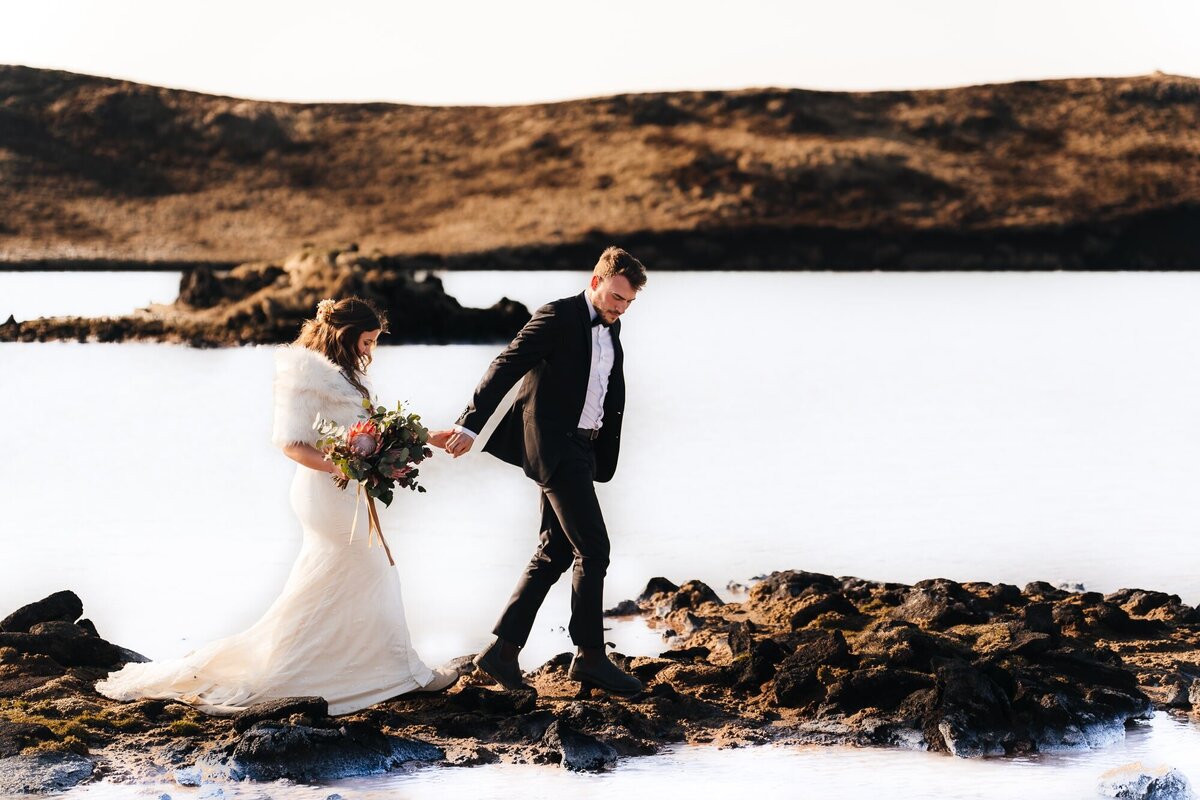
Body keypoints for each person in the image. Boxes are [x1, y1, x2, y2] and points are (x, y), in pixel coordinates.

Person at [96, 297, 463, 715]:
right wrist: (347, 467)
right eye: (366, 341)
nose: (370, 351)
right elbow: (291, 444)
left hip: (344, 488)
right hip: (326, 491)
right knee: (374, 569)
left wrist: (424, 437)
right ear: (343, 336)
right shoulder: (305, 375)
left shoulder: (344, 374)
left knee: (335, 582)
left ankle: (360, 668)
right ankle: (400, 673)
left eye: (374, 342)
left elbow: (372, 429)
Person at [435, 247, 647, 694]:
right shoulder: (558, 316)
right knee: (594, 549)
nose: (619, 307)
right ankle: (590, 657)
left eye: (627, 301)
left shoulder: (614, 327)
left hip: (584, 451)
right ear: (596, 281)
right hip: (554, 448)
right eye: (615, 296)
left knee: (555, 551)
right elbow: (506, 364)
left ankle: (502, 652)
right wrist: (469, 425)